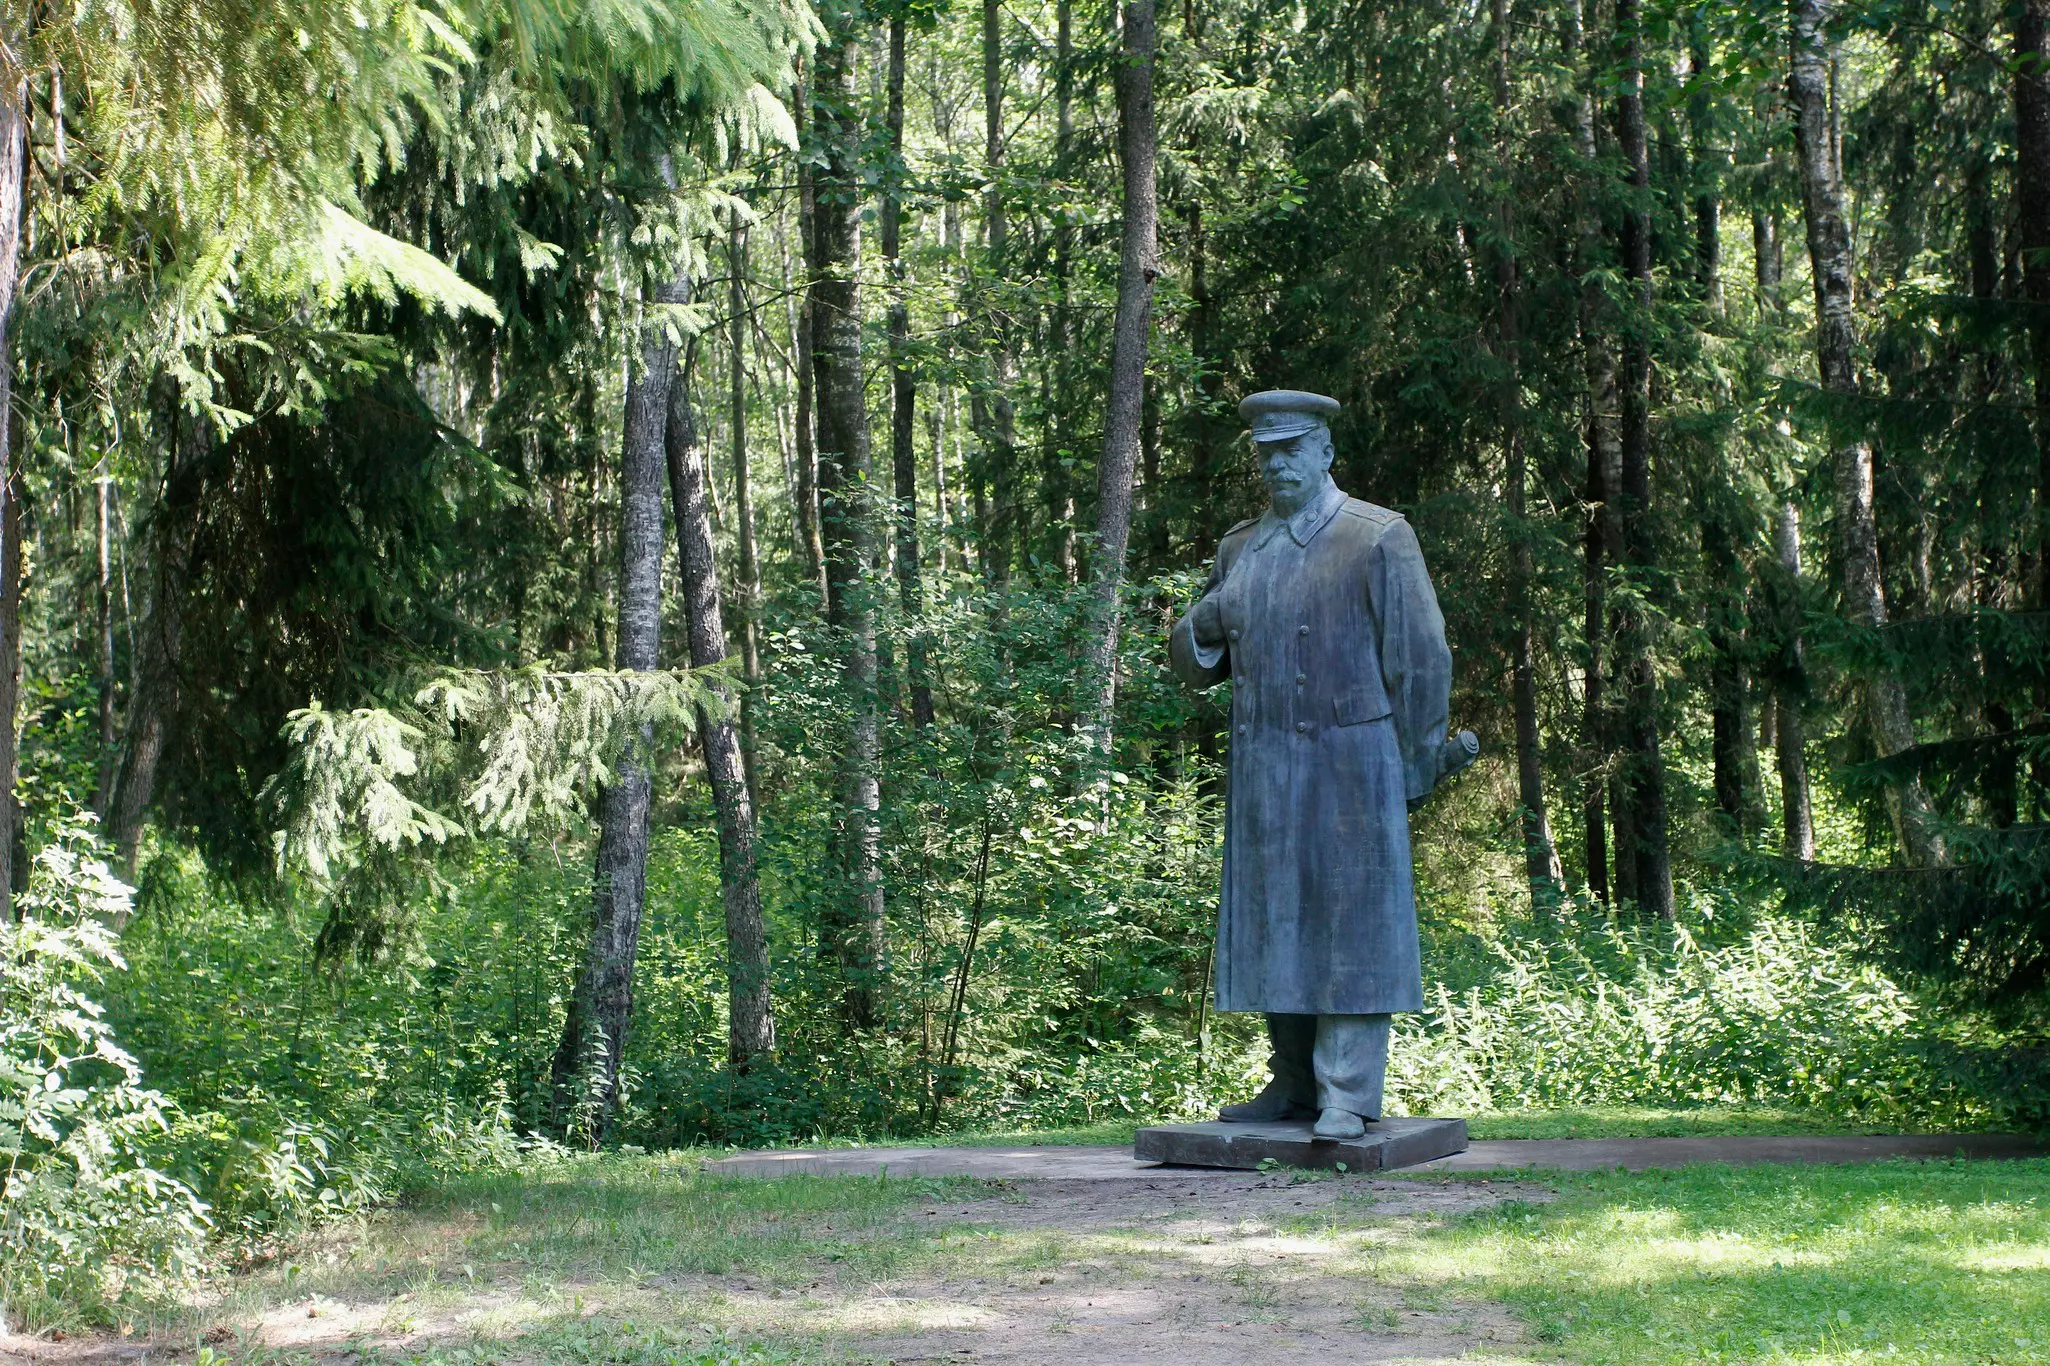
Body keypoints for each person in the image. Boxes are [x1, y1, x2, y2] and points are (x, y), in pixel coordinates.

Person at [1168, 389, 1454, 1141]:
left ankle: (1348, 1094)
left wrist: (1416, 764)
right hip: (1264, 764)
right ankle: (1293, 1085)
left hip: (1355, 762)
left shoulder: (1376, 537)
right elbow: (1196, 663)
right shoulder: (1241, 549)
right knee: (1274, 922)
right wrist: (1206, 614)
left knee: (1354, 923)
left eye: (1292, 447)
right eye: (1266, 452)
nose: (1277, 463)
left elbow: (1422, 662)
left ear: (1326, 449)